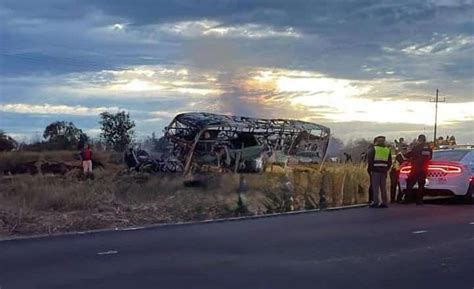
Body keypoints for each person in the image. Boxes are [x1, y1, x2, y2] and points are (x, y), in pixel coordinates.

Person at [405, 134, 433, 205]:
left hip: (415, 168)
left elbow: (409, 155)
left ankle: (407, 199)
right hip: (424, 168)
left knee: (410, 183)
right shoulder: (429, 148)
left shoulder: (416, 147)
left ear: (419, 140)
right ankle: (419, 200)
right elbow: (430, 157)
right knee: (421, 185)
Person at [367, 136, 392, 208]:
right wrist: (386, 169)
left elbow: (370, 160)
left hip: (375, 171)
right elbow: (390, 162)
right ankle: (384, 202)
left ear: (376, 142)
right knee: (383, 187)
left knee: (375, 187)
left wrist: (370, 170)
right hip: (384, 171)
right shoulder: (387, 150)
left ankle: (375, 202)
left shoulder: (373, 149)